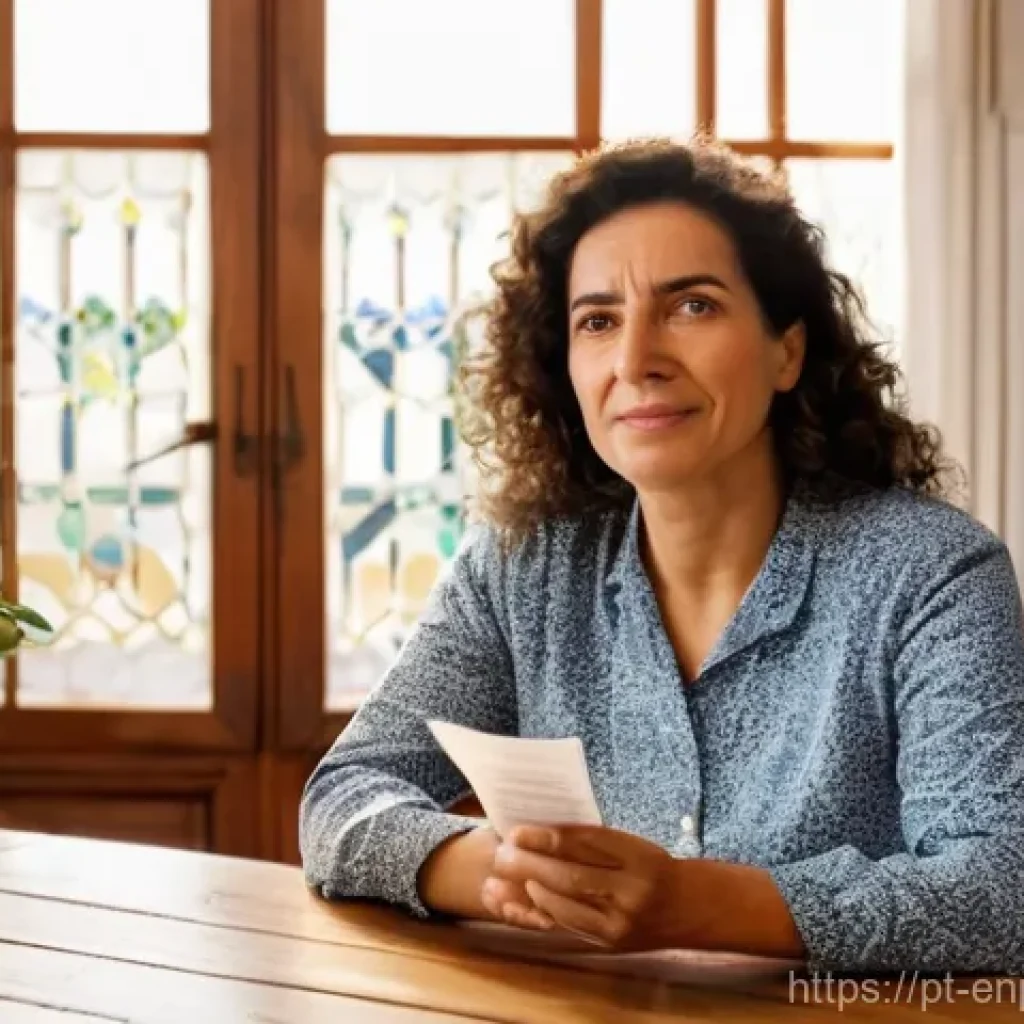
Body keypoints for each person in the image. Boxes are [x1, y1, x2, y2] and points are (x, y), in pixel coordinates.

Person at [300, 139, 1024, 975]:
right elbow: (341, 799)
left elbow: (1000, 890)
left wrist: (702, 903)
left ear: (787, 350)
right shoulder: (520, 569)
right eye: (598, 321)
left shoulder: (933, 575)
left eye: (692, 306)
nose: (636, 359)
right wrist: (504, 874)